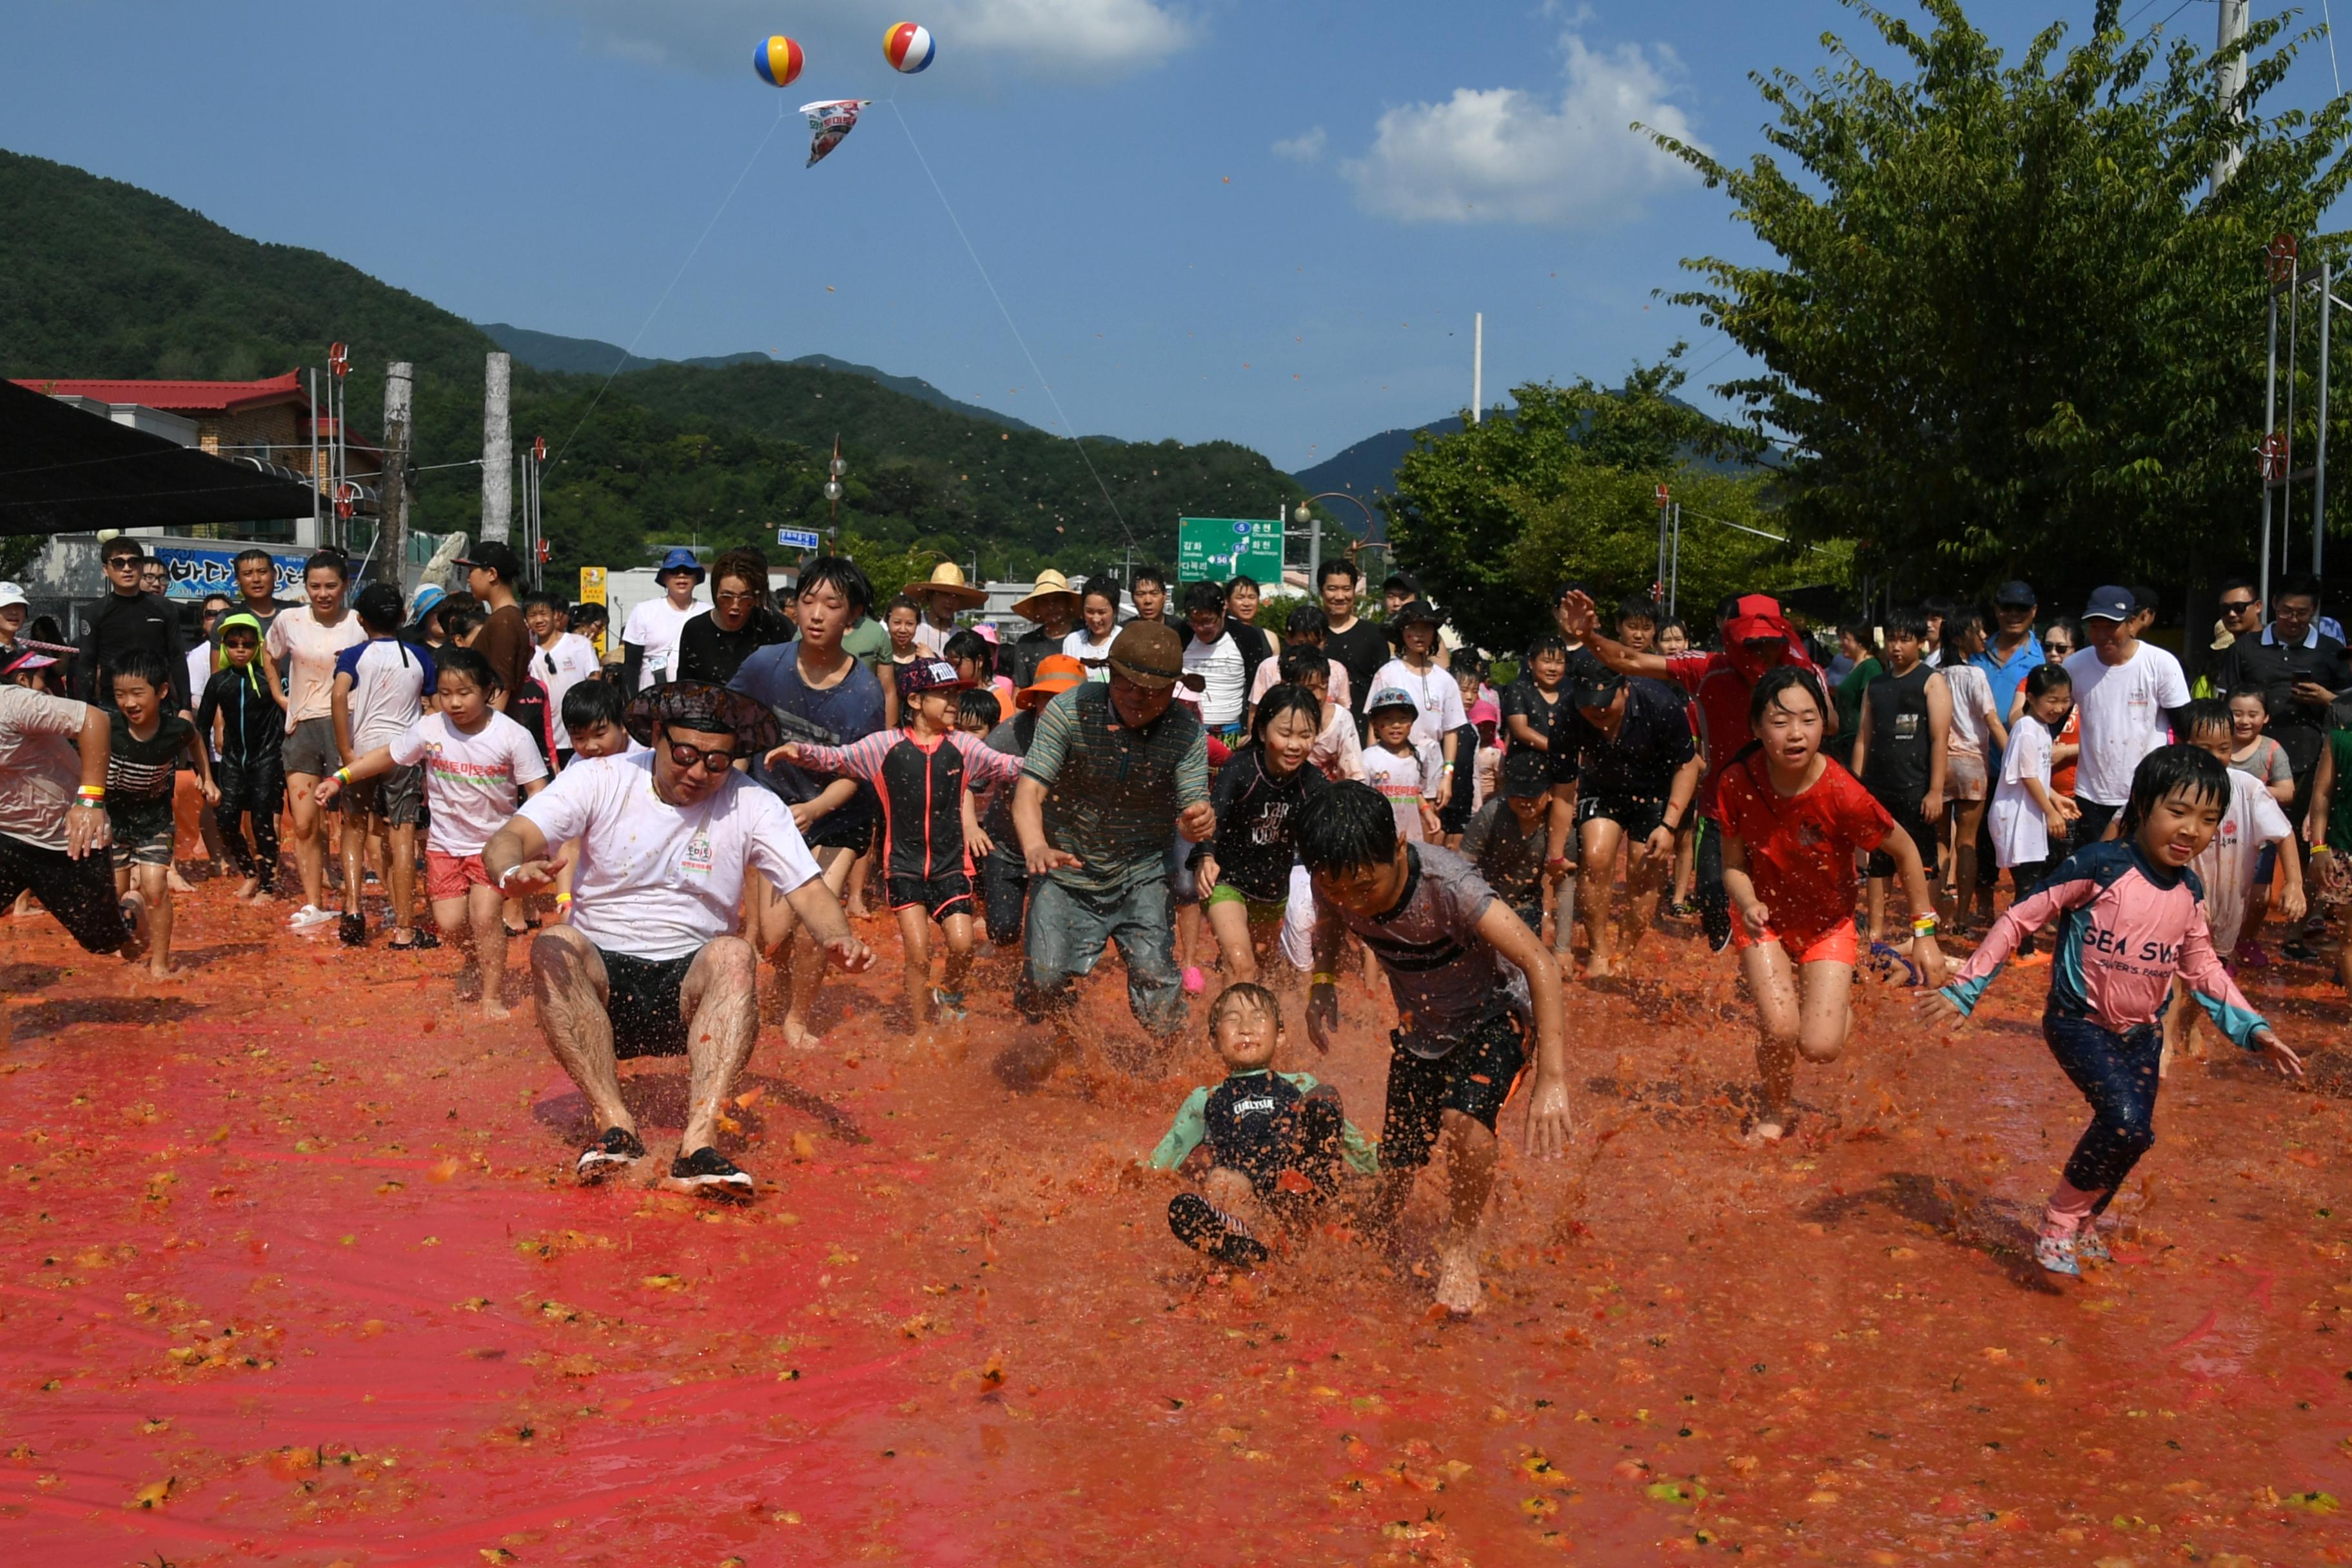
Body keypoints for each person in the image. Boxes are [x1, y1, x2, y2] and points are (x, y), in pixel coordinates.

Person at [1926, 745, 2302, 1277]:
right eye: (2179, 811)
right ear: (2143, 807)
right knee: (2123, 1124)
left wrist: (2255, 1029)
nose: (2192, 830)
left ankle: (2085, 1220)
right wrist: (1967, 987)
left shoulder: (2190, 890)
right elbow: (2019, 919)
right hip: (2078, 1023)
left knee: (2138, 1135)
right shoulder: (2100, 866)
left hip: (2142, 1036)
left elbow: (2204, 971)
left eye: (2209, 820)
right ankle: (2059, 1219)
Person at [486, 680, 870, 1195]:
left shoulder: (754, 803)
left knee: (736, 952)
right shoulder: (601, 777)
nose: (698, 773)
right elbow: (510, 837)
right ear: (657, 737)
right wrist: (512, 872)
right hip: (601, 983)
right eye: (686, 755)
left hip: (691, 988)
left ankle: (699, 1145)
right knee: (552, 943)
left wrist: (838, 938)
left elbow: (808, 887)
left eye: (717, 763)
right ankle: (615, 1127)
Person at [1298, 779, 1572, 1316]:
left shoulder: (1452, 887)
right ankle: (1383, 1219)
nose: (1353, 901)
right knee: (1397, 1162)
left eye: (1363, 888)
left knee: (1465, 1124)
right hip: (1422, 1029)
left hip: (1495, 1015)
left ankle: (1462, 1248)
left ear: (1398, 848)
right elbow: (1331, 921)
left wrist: (1554, 1077)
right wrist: (1323, 981)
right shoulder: (1332, 879)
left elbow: (1541, 962)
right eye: (1336, 888)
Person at [1720, 667, 1944, 1142]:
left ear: (1826, 723)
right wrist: (1749, 900)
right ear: (1757, 728)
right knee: (1779, 1028)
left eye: (1808, 719)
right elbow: (1732, 865)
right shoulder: (1738, 780)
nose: (1796, 734)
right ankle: (1775, 1111)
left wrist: (1924, 934)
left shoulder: (1843, 792)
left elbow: (1905, 851)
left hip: (1828, 925)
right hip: (1764, 922)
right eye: (1780, 722)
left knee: (1820, 1048)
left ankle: (1837, 999)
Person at [1556, 589, 1827, 952]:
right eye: (1751, 644)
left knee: (1792, 909)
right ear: (1732, 640)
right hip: (1722, 810)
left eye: (1769, 644)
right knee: (1714, 905)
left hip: (1787, 810)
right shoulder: (1708, 668)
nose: (1760, 654)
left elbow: (1834, 724)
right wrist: (1587, 636)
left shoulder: (1801, 675)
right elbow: (1631, 662)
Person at [769, 658, 1024, 1035]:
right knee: (919, 956)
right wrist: (799, 751)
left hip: (952, 867)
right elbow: (840, 759)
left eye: (955, 693)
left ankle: (951, 993)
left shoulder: (965, 747)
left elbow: (1005, 765)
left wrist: (1054, 762)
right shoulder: (884, 746)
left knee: (963, 945)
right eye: (944, 695)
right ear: (917, 701)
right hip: (904, 867)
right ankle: (922, 1031)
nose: (954, 702)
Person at [1012, 621, 1213, 1069]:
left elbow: (1193, 807)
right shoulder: (1068, 711)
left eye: (1154, 691)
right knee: (1044, 981)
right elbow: (1029, 792)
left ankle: (1175, 1071)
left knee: (1157, 984)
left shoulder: (1185, 733)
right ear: (1110, 675)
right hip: (1064, 866)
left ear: (1175, 690)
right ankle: (1072, 1041)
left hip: (1141, 873)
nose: (1138, 697)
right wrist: (1035, 847)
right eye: (1128, 684)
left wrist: (1197, 821)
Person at [317, 646, 546, 1017]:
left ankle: (492, 995)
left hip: (494, 846)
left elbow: (537, 789)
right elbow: (387, 755)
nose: (454, 703)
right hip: (444, 846)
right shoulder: (430, 728)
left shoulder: (512, 736)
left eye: (464, 693)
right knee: (450, 923)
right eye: (445, 693)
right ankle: (475, 961)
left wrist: (532, 842)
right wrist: (340, 777)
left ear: (488, 690)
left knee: (486, 917)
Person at [729, 556, 889, 1050]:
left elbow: (858, 770)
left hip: (837, 813)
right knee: (775, 936)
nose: (817, 614)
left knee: (819, 921)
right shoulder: (765, 665)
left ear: (854, 617)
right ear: (794, 606)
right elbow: (732, 726)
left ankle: (798, 1017)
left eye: (832, 605)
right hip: (776, 809)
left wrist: (814, 810)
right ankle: (783, 980)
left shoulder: (862, 689)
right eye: (808, 601)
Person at [1148, 983, 1377, 1268]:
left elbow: (1352, 1142)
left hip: (1299, 1185)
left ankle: (1309, 1222)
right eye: (1232, 1019)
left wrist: (1387, 1166)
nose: (1246, 1028)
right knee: (1215, 1184)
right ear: (1213, 1041)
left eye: (1258, 1017)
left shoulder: (1302, 1085)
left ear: (1280, 1035)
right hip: (1247, 1198)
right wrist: (1135, 1176)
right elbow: (1165, 1157)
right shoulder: (1204, 1099)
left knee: (1324, 1099)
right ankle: (1243, 1242)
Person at [2208, 572, 2347, 960]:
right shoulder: (2246, 649)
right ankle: (2228, 930)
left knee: (2305, 846)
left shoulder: (2332, 652)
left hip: (2309, 763)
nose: (2293, 619)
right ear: (2272, 607)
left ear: (2315, 612)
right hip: (2247, 765)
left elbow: (2348, 709)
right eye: (2286, 611)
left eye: (2302, 613)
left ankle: (2296, 931)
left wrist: (2326, 698)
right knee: (2236, 844)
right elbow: (2223, 705)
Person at [2164, 701, 2304, 1066]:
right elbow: (2128, 824)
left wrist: (2294, 885)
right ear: (2181, 744)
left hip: (2228, 902)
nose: (2214, 757)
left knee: (2208, 974)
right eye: (2203, 749)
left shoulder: (2246, 789)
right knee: (2173, 972)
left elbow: (2284, 834)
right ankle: (2162, 1041)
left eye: (2223, 749)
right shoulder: (2167, 783)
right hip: (2176, 898)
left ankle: (2189, 1025)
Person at [1553, 662, 1700, 979]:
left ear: (1625, 689)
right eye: (1589, 705)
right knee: (1595, 857)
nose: (1597, 712)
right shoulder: (1567, 711)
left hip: (1657, 791)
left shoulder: (1660, 703)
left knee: (1644, 868)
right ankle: (1598, 949)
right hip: (1601, 787)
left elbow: (1687, 767)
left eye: (1605, 703)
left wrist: (1670, 825)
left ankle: (1625, 949)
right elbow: (1564, 791)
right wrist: (1556, 852)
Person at [0, 664, 150, 956]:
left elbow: (93, 720)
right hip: (5, 835)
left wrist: (90, 801)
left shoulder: (11, 704)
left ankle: (131, 909)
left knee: (106, 942)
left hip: (66, 837)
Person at [1192, 685, 1329, 986]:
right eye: (1285, 734)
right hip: (1226, 882)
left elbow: (1327, 838)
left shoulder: (1314, 783)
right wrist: (1205, 855)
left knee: (1263, 972)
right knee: (1242, 966)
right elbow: (1213, 816)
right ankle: (1227, 1033)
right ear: (1263, 732)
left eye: (1305, 736)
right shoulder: (1241, 770)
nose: (1295, 745)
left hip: (1273, 891)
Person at [266, 552, 366, 930]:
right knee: (306, 823)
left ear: (345, 586)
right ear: (305, 586)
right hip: (302, 727)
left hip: (348, 727)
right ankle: (313, 903)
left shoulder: (359, 622)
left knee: (353, 820)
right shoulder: (288, 619)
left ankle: (353, 898)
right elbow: (269, 654)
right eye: (315, 586)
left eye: (331, 586)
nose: (323, 594)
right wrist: (280, 695)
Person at [331, 583, 434, 948]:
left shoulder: (355, 656)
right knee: (402, 832)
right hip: (404, 752)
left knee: (354, 825)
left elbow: (340, 694)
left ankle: (354, 906)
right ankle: (405, 928)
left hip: (362, 751)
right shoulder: (420, 656)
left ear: (360, 620)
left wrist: (346, 751)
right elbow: (432, 702)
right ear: (404, 618)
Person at [103, 649, 213, 979]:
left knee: (156, 887)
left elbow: (196, 741)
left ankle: (160, 963)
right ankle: (132, 922)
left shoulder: (174, 730)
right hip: (115, 822)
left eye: (138, 693)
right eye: (120, 694)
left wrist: (205, 777)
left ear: (162, 691)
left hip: (154, 821)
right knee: (117, 894)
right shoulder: (108, 726)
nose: (129, 703)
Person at [2064, 585, 2193, 847]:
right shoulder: (2074, 666)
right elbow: (2051, 721)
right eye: (2095, 627)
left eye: (2111, 627)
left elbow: (2186, 728)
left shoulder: (2160, 663)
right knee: (2099, 871)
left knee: (2144, 870)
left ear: (2132, 623)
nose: (2102, 636)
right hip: (2092, 795)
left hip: (2148, 791)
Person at [1850, 608, 1949, 945]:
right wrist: (1855, 786)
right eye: (1892, 639)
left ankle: (1924, 932)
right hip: (1878, 788)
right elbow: (1863, 737)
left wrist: (1935, 790)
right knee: (1878, 862)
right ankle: (1876, 930)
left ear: (1920, 642)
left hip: (1916, 787)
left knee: (1923, 862)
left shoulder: (1931, 681)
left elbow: (1939, 739)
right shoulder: (1876, 685)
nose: (1896, 647)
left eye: (1905, 640)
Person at [976, 654, 1086, 952]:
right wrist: (968, 827)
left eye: (1067, 699)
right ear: (1034, 700)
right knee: (1003, 932)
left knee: (1051, 938)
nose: (1058, 708)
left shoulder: (1094, 737)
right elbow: (966, 780)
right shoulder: (1011, 732)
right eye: (1049, 698)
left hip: (1057, 851)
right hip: (1007, 848)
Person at [197, 612, 284, 903]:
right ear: (223, 646)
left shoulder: (269, 679)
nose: (240, 649)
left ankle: (268, 884)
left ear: (257, 646)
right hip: (233, 760)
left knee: (262, 821)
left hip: (266, 758)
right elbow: (201, 727)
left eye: (247, 644)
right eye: (233, 643)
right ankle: (250, 873)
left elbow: (290, 711)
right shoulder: (219, 682)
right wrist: (203, 771)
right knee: (226, 819)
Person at [1936, 610, 2006, 932]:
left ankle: (1935, 914)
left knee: (1938, 842)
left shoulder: (1932, 674)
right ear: (1959, 637)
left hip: (1937, 764)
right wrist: (2016, 758)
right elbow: (1992, 722)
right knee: (1967, 841)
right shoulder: (1976, 675)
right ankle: (1963, 918)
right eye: (1976, 631)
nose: (1982, 636)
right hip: (1971, 764)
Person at [1988, 664, 2079, 910]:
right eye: (2052, 700)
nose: (2059, 708)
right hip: (2018, 816)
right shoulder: (2027, 729)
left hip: (2029, 814)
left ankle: (2022, 940)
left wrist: (2056, 798)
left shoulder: (2041, 729)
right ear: (2031, 698)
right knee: (2028, 884)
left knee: (2032, 880)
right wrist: (2050, 811)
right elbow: (2028, 776)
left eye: (2064, 701)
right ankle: (2020, 943)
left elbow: (2035, 773)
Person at [76, 536, 190, 712]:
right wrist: (86, 711)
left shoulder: (165, 608)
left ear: (142, 566)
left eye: (134, 562)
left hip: (158, 705)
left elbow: (177, 658)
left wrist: (186, 708)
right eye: (119, 563)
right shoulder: (94, 611)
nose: (127, 568)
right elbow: (86, 663)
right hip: (112, 706)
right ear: (106, 569)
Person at [1370, 602, 1465, 810]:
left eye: (1426, 628)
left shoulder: (1445, 680)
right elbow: (1373, 724)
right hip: (1391, 762)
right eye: (1413, 628)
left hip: (1432, 762)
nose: (1419, 634)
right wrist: (1372, 764)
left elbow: (1451, 731)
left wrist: (1448, 776)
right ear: (1402, 632)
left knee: (1428, 827)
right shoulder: (1387, 674)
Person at [1462, 748, 1553, 934]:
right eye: (1518, 794)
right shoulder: (1492, 813)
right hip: (1485, 900)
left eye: (1532, 794)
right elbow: (1462, 866)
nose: (1525, 801)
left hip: (1529, 906)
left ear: (1550, 793)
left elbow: (1564, 886)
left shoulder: (1557, 826)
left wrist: (1562, 946)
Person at [674, 549, 789, 691]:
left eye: (745, 598)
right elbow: (684, 690)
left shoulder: (773, 626)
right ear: (716, 592)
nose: (735, 606)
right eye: (726, 597)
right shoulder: (695, 629)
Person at [1177, 579, 1258, 741]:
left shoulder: (1247, 637)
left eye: (1208, 621)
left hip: (1232, 733)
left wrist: (1250, 732)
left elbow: (1255, 689)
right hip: (1188, 731)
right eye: (1195, 622)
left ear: (1223, 611)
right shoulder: (1180, 635)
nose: (1200, 628)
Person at [1362, 684, 1442, 843]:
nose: (1396, 725)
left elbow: (1416, 792)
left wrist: (1428, 813)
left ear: (1411, 723)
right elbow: (1363, 800)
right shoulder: (1368, 758)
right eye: (1388, 719)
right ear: (1376, 724)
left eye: (1403, 719)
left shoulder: (1420, 756)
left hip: (1412, 835)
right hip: (1380, 836)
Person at [528, 593, 603, 758]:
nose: (539, 620)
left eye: (544, 614)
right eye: (532, 616)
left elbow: (594, 679)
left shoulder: (579, 644)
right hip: (545, 739)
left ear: (555, 615)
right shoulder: (528, 652)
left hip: (579, 736)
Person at [1317, 559, 1389, 727]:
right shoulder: (1311, 634)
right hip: (1315, 730)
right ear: (1321, 591)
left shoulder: (1374, 635)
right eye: (1332, 589)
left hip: (1362, 729)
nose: (1340, 597)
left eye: (1346, 589)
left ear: (1354, 591)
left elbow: (1383, 688)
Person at [622, 547, 707, 691]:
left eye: (688, 571)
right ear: (664, 578)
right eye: (674, 571)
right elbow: (631, 666)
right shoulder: (643, 611)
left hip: (694, 699)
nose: (681, 576)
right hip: (650, 698)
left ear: (696, 577)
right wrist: (631, 704)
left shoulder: (708, 613)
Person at [1249, 602, 1353, 718]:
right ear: (1288, 638)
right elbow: (1255, 712)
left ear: (1325, 640)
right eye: (1302, 643)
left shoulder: (1337, 670)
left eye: (1316, 643)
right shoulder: (1269, 667)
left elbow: (1344, 714)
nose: (1309, 649)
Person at [1005, 569, 1083, 691]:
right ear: (1037, 607)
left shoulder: (1084, 637)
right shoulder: (1026, 644)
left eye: (1057, 600)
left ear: (1067, 602)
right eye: (1044, 602)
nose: (1051, 606)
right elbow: (1020, 689)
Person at [1828, 623, 1882, 770]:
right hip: (1846, 740)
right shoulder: (1856, 666)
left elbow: (1874, 704)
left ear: (1860, 641)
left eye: (1846, 639)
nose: (1841, 643)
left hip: (1858, 740)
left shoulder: (1870, 666)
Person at [905, 560, 986, 657]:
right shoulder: (911, 627)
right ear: (931, 594)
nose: (950, 601)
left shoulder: (962, 637)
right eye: (945, 594)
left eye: (956, 596)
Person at [1063, 580, 1121, 678]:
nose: (1096, 619)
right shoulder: (1073, 642)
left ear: (1115, 610)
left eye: (1102, 612)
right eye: (1089, 612)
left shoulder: (1124, 640)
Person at [883, 594, 925, 683]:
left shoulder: (925, 658)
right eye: (897, 623)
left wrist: (932, 660)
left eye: (909, 624)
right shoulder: (878, 657)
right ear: (887, 622)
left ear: (917, 625)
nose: (903, 630)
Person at [1128, 563, 1173, 629]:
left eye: (1154, 594)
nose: (1148, 601)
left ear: (1165, 596)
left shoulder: (1182, 631)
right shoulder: (1124, 631)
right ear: (1132, 598)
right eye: (1141, 594)